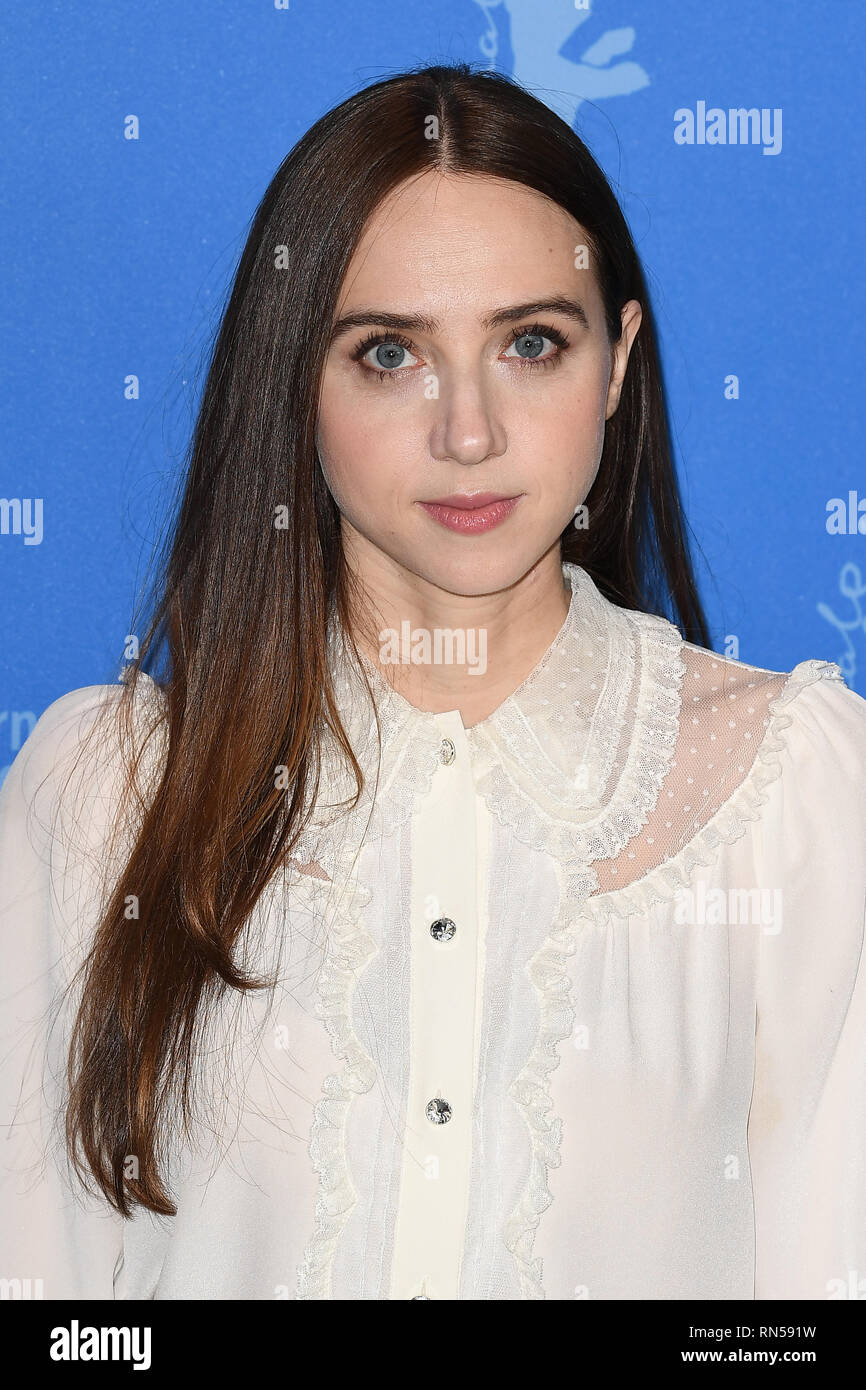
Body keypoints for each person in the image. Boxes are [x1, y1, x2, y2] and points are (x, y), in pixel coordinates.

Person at [2, 61, 865, 1302]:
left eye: (528, 342)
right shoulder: (103, 798)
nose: (468, 431)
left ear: (616, 366)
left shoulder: (788, 801)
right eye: (390, 354)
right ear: (295, 379)